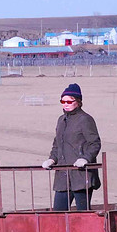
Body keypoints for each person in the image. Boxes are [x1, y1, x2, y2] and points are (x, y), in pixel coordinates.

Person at [41, 83, 101, 211]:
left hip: (81, 176)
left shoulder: (85, 119)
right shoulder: (61, 120)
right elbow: (57, 144)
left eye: (69, 101)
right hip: (63, 176)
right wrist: (52, 159)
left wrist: (85, 158)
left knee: (83, 214)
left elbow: (94, 143)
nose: (65, 104)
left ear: (78, 102)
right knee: (58, 214)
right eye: (62, 101)